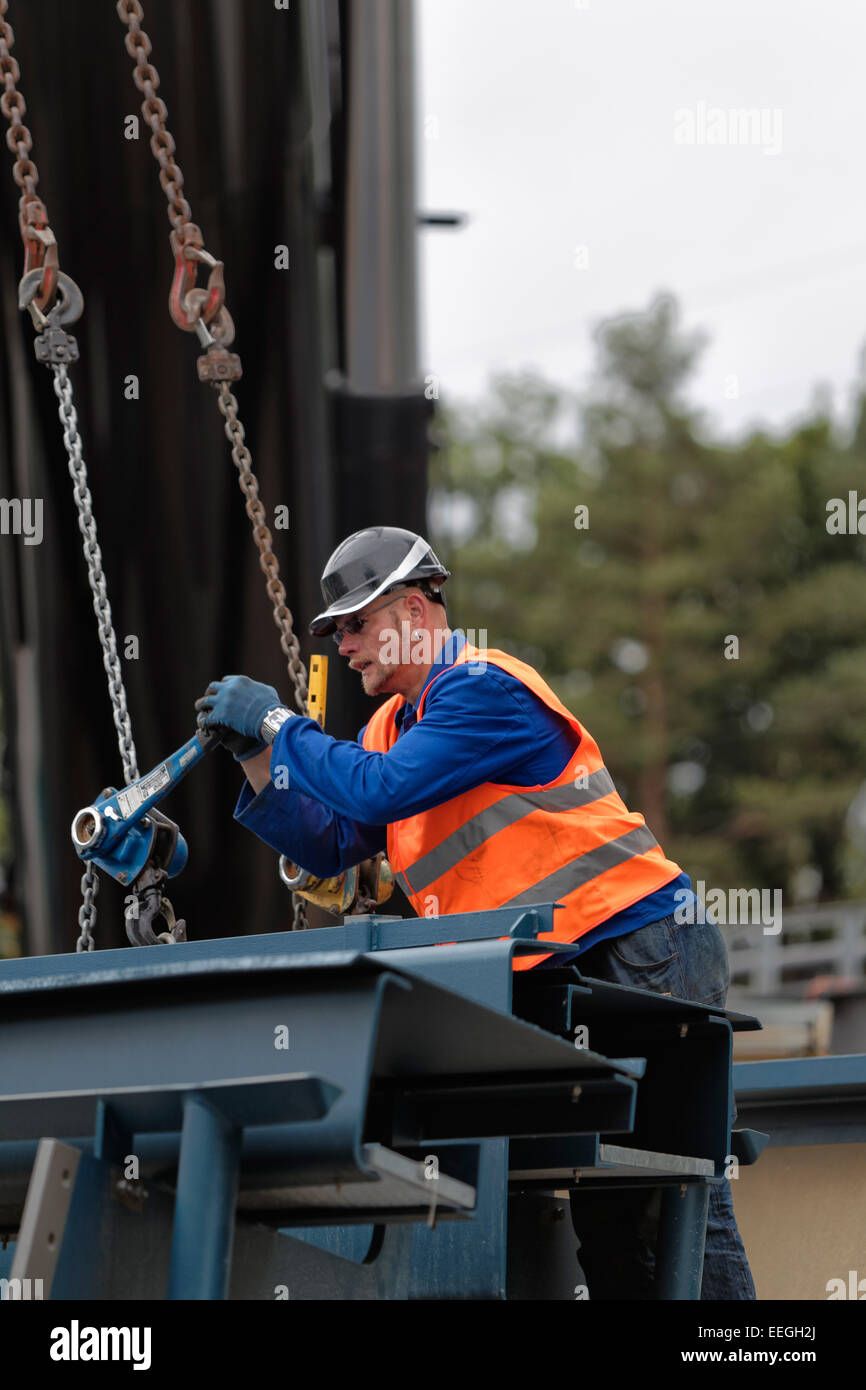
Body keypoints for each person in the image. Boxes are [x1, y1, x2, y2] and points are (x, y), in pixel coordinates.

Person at [195, 524, 755, 1300]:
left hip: (643, 944)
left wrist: (276, 725)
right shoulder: (390, 727)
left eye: (358, 624)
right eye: (336, 631)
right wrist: (257, 758)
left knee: (676, 1195)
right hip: (569, 972)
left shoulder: (481, 688)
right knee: (615, 1215)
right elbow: (331, 842)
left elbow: (377, 792)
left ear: (418, 613)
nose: (345, 646)